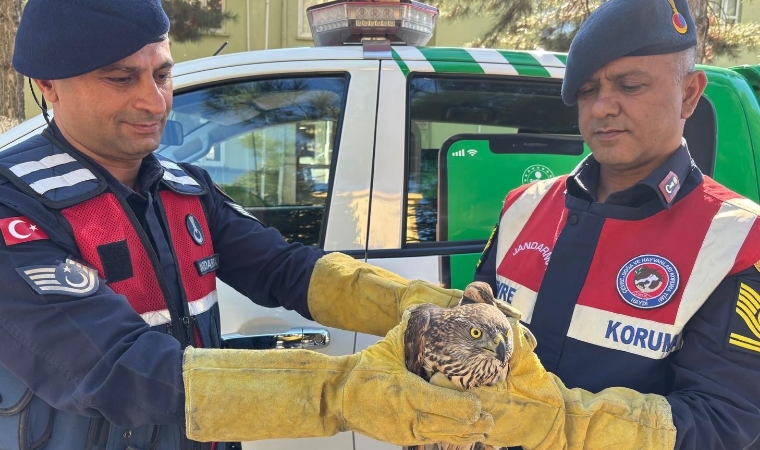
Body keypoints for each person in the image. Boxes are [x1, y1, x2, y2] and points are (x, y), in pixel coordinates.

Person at [0, 1, 494, 449]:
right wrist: (345, 394)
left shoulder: (184, 187)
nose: (154, 102)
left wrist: (422, 306)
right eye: (121, 79)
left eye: (163, 75)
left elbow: (284, 268)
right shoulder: (14, 205)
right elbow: (121, 369)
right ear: (48, 84)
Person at [464, 0, 760, 448]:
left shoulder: (739, 240)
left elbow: (723, 423)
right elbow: (476, 334)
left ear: (690, 93)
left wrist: (553, 425)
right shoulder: (523, 206)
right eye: (586, 90)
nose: (602, 107)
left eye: (630, 85)